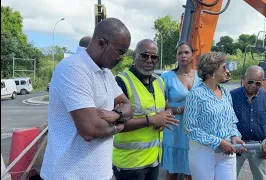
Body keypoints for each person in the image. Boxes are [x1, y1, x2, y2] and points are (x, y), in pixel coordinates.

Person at [40, 18, 133, 180]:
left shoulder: (106, 73)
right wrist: (119, 127)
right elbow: (90, 130)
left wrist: (116, 114)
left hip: (102, 173)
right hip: (68, 175)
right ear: (101, 43)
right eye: (120, 52)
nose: (121, 59)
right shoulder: (73, 69)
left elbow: (128, 105)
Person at [113, 39, 179, 180]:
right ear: (134, 56)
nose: (149, 60)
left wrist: (165, 116)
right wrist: (151, 120)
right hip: (130, 163)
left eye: (154, 57)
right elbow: (115, 124)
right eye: (144, 55)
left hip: (153, 159)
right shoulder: (121, 82)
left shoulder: (159, 81)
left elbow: (166, 108)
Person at [183, 52, 246, 180]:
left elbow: (231, 121)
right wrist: (217, 142)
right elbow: (190, 128)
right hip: (203, 154)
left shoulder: (225, 93)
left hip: (227, 151)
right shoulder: (195, 95)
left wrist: (235, 136)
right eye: (224, 67)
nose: (227, 71)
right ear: (211, 70)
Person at [161, 42, 201, 180]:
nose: (183, 55)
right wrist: (179, 109)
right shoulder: (167, 77)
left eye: (186, 52)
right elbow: (160, 107)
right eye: (180, 53)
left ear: (192, 55)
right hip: (175, 129)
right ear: (176, 57)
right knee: (172, 171)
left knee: (191, 172)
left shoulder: (201, 78)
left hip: (194, 129)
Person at [230, 65, 266, 180]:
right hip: (236, 146)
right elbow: (226, 122)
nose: (253, 86)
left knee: (261, 178)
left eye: (257, 83)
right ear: (244, 78)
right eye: (250, 81)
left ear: (262, 82)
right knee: (228, 177)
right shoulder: (231, 96)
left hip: (260, 147)